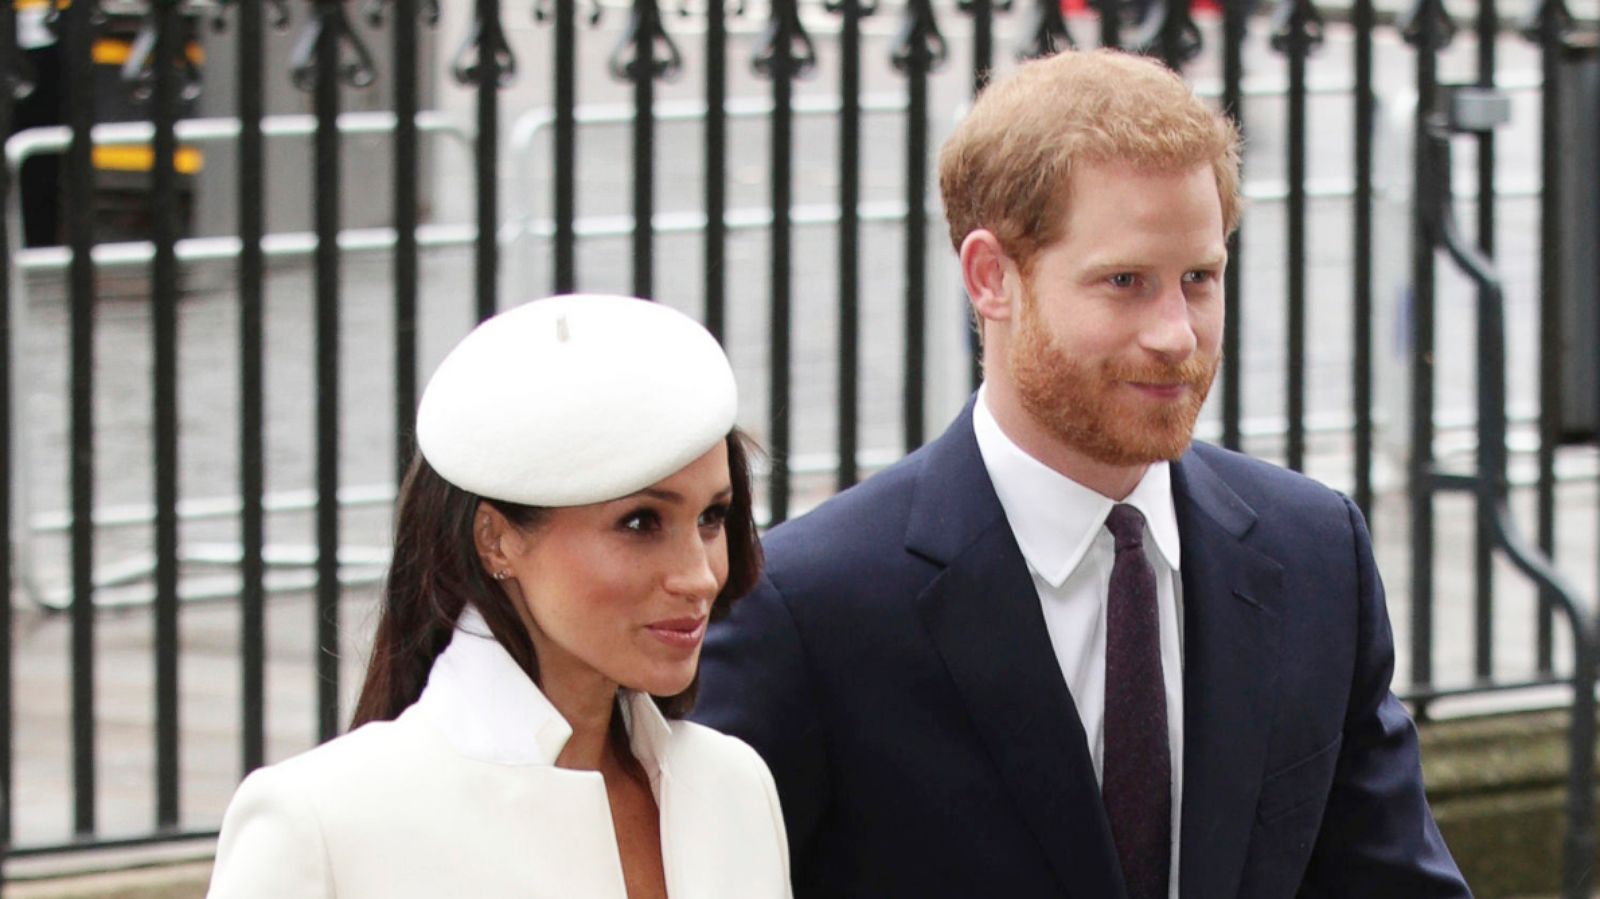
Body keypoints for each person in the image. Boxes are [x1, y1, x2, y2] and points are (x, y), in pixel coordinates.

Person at [693, 49, 1470, 899]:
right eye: (1125, 281)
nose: (1176, 332)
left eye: (1199, 279)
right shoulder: (811, 606)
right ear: (992, 277)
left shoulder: (1316, 551)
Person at [209, 294, 792, 899]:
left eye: (712, 517)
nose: (697, 576)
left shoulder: (735, 788)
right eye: (641, 522)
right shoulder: (319, 824)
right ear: (496, 540)